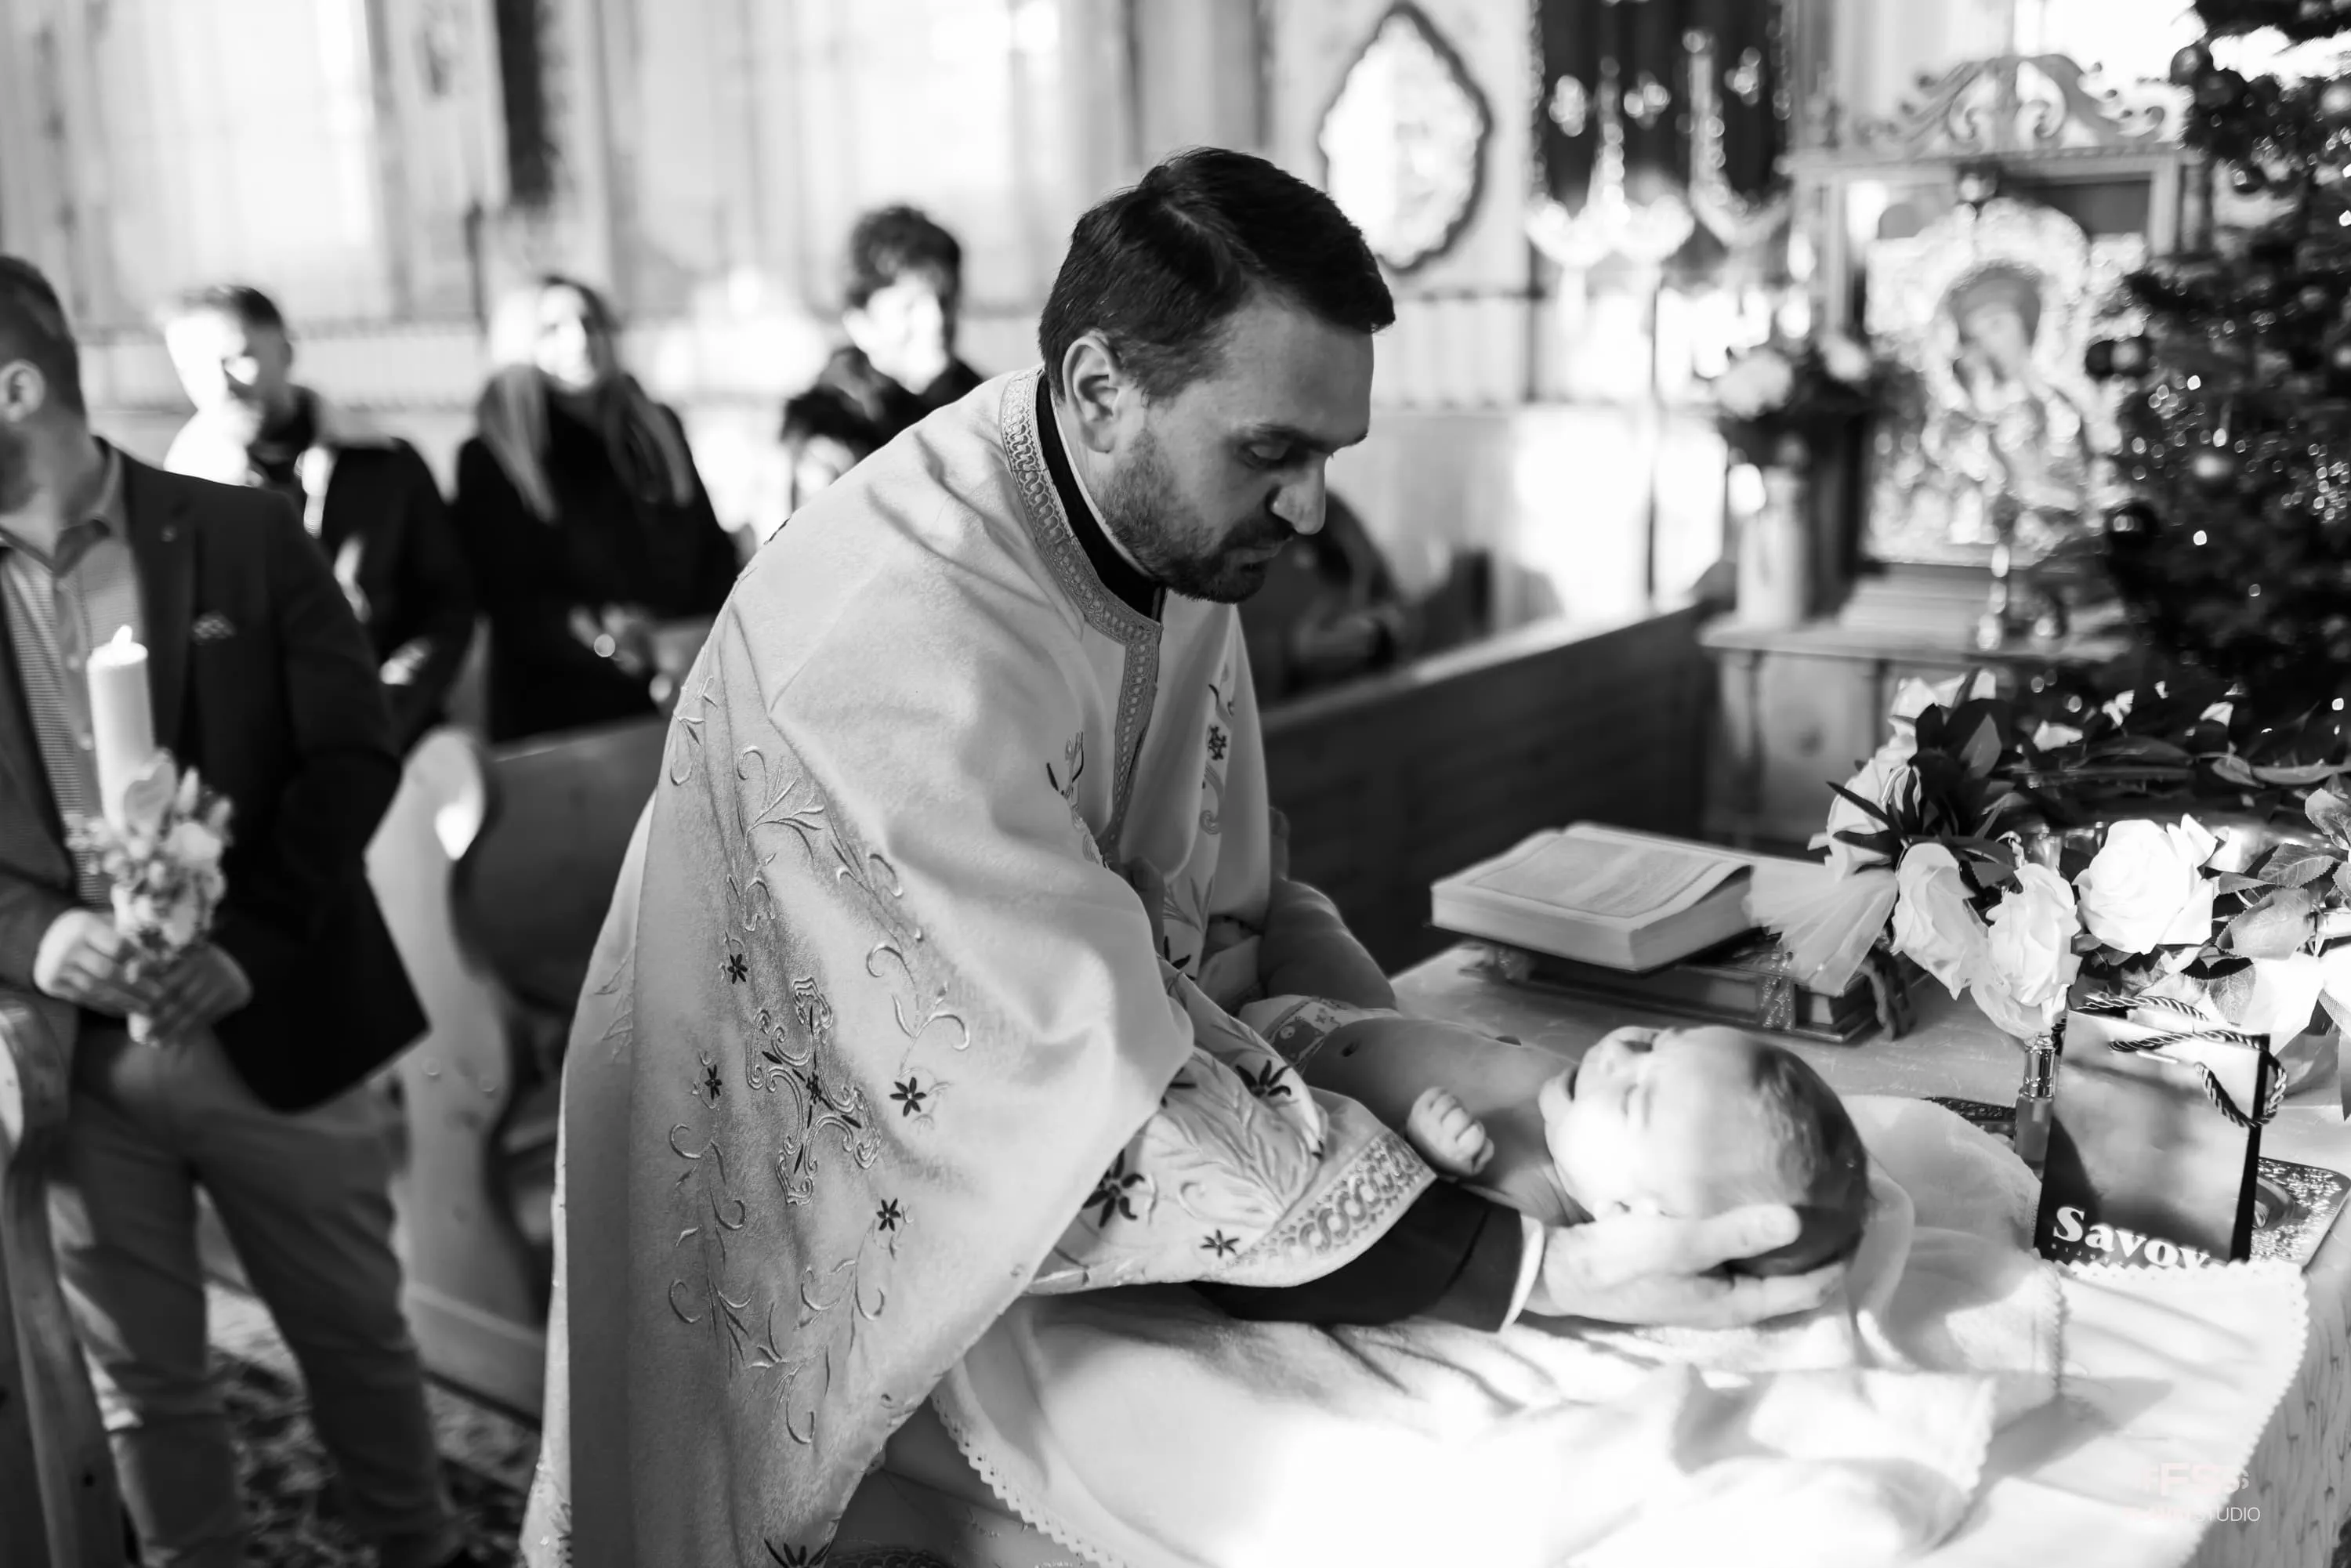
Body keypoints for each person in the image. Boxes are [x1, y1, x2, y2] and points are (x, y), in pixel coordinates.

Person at [520, 150, 1837, 1568]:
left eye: (1331, 456)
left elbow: (1226, 901)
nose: (1315, 510)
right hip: (778, 1148)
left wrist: (1409, 1068)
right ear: (1099, 392)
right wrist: (1524, 1263)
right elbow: (1073, 1081)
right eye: (1275, 451)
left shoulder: (1161, 531)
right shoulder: (899, 637)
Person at [0, 257, 484, 1568]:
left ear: (23, 380)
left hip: (275, 1022)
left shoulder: (239, 533)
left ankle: (421, 1548)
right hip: (78, 1060)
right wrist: (39, 936)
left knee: (358, 1346)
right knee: (145, 1386)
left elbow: (350, 755)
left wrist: (244, 949)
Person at [160, 284, 476, 753]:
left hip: (399, 743)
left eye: (236, 357)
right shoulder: (180, 498)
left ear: (286, 350)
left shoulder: (389, 464)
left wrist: (388, 705)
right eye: (191, 369)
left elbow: (447, 606)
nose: (219, 385)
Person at [451, 276, 739, 742]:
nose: (580, 339)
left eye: (590, 322)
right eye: (552, 329)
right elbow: (509, 602)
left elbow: (711, 548)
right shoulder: (492, 458)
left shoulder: (656, 429)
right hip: (562, 717)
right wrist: (609, 642)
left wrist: (691, 638)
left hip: (685, 696)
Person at [789, 205, 984, 459]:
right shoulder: (829, 435)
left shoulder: (987, 409)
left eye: (945, 300)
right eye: (909, 307)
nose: (936, 320)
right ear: (860, 324)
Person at [1236, 489, 1418, 703]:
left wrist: (1381, 632)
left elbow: (1400, 610)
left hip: (1368, 707)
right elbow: (1208, 670)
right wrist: (1291, 655)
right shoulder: (1222, 530)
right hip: (1279, 722)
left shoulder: (1331, 510)